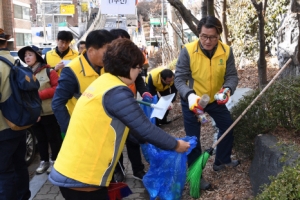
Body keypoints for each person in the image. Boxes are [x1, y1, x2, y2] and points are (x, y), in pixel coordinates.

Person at [49, 38, 190, 200]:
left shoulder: (103, 82)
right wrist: (176, 144)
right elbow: (145, 127)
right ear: (128, 67)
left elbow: (122, 125)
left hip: (71, 169)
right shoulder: (117, 91)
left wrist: (142, 140)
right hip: (83, 176)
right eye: (138, 67)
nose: (139, 72)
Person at [174, 16, 239, 189]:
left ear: (219, 35)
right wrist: (188, 95)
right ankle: (196, 175)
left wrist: (227, 89)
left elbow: (232, 75)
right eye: (203, 36)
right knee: (193, 139)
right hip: (193, 101)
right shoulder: (187, 51)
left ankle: (221, 160)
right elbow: (179, 78)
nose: (207, 41)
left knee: (228, 126)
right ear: (198, 34)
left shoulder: (226, 51)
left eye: (212, 37)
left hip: (215, 99)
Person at [110, 28, 153, 180]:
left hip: (130, 104)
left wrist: (145, 91)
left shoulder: (132, 57)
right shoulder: (109, 62)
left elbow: (139, 79)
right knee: (116, 142)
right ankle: (118, 171)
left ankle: (138, 170)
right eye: (118, 41)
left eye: (125, 41)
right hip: (114, 108)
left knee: (133, 139)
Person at [18, 45, 62, 175]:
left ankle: (55, 160)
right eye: (25, 56)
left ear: (37, 56)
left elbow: (57, 88)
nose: (27, 58)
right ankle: (44, 161)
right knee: (40, 139)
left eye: (30, 55)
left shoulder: (49, 71)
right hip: (34, 113)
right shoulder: (24, 73)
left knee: (53, 138)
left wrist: (38, 95)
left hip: (49, 112)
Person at [0, 28, 31, 199]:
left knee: (3, 171)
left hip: (2, 128)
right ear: (5, 42)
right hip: (19, 123)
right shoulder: (16, 62)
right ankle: (23, 196)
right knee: (20, 166)